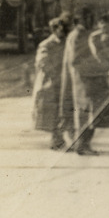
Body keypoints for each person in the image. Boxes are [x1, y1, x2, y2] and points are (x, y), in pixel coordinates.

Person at [59, 6, 109, 155]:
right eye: (91, 17)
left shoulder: (81, 33)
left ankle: (83, 144)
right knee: (85, 113)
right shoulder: (78, 35)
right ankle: (82, 145)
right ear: (83, 19)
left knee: (89, 113)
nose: (93, 20)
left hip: (87, 79)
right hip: (83, 80)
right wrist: (102, 67)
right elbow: (76, 60)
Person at [32, 14, 71, 150]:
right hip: (52, 83)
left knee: (65, 110)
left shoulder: (66, 42)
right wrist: (56, 73)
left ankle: (61, 139)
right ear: (53, 30)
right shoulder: (46, 44)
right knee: (54, 112)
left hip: (64, 81)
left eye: (64, 28)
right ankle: (56, 140)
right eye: (59, 29)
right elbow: (43, 62)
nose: (62, 31)